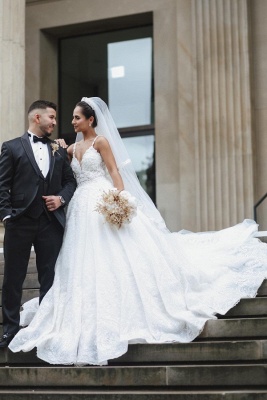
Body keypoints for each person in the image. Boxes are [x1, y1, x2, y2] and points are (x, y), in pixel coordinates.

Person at [8, 97, 267, 365]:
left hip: (102, 201)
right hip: (79, 211)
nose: (71, 122)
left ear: (91, 119)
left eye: (76, 117)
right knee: (81, 259)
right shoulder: (70, 148)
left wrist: (119, 201)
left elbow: (114, 172)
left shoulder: (102, 143)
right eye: (72, 118)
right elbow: (62, 167)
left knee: (113, 254)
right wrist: (59, 147)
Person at [0, 100, 77, 348]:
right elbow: (2, 185)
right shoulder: (11, 147)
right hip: (19, 222)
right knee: (13, 278)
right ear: (37, 118)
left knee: (49, 277)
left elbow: (70, 181)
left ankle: (46, 329)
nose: (55, 122)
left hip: (50, 223)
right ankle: (9, 331)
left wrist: (61, 198)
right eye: (51, 117)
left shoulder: (58, 149)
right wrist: (6, 216)